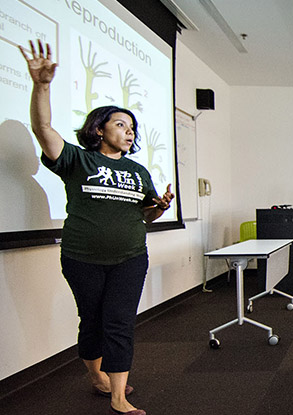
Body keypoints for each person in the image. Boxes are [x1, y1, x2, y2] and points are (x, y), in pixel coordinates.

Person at [20, 40, 174, 415]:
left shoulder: (138, 172)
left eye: (132, 127)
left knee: (119, 322)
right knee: (91, 321)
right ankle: (96, 377)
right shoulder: (78, 160)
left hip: (130, 258)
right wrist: (42, 85)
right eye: (120, 124)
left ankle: (119, 397)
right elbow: (43, 128)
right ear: (99, 128)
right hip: (81, 259)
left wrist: (159, 208)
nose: (129, 131)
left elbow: (143, 215)